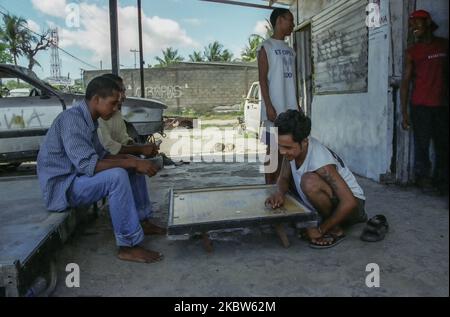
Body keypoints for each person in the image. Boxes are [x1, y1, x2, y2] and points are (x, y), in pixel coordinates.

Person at [37, 76, 165, 264]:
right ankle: (128, 246)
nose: (116, 109)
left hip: (78, 179)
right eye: (113, 104)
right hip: (63, 188)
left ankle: (142, 221)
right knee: (117, 175)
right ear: (96, 99)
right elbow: (89, 165)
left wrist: (134, 161)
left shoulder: (91, 120)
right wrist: (131, 162)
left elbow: (102, 157)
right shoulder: (72, 120)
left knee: (131, 164)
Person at [265, 110, 368, 249]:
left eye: (287, 147)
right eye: (280, 146)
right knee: (292, 186)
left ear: (304, 141)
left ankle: (335, 229)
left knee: (309, 182)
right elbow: (283, 178)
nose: (282, 151)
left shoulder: (322, 163)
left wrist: (320, 229)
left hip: (353, 208)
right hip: (336, 201)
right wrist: (279, 193)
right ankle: (322, 220)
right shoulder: (292, 152)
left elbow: (349, 203)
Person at [400, 10, 449, 194]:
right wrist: (404, 113)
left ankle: (442, 181)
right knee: (422, 145)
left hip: (442, 106)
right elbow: (405, 83)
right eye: (411, 25)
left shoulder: (444, 46)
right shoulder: (412, 52)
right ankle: (424, 179)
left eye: (416, 23)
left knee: (443, 145)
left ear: (428, 22)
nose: (413, 27)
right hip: (420, 105)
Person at [257, 8, 299, 185]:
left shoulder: (290, 50)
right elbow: (262, 79)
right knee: (271, 149)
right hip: (273, 108)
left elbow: (292, 81)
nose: (293, 25)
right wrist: (268, 106)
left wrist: (298, 105)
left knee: (286, 148)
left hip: (290, 108)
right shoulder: (266, 47)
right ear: (279, 21)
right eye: (290, 20)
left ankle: (281, 186)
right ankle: (268, 186)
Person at [97, 74, 159, 158]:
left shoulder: (116, 113)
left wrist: (143, 148)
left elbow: (124, 140)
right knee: (120, 171)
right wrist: (139, 150)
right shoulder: (96, 117)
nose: (123, 96)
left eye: (124, 91)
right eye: (120, 91)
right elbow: (107, 146)